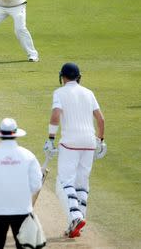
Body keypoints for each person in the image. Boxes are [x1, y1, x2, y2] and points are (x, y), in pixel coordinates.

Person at [43, 62, 106, 238]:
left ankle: (76, 217)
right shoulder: (89, 92)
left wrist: (50, 139)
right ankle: (78, 222)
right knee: (81, 183)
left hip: (70, 142)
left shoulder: (59, 93)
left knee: (64, 182)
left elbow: (56, 114)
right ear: (78, 76)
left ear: (62, 77)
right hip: (90, 142)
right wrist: (101, 141)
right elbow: (101, 120)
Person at [0, 118, 43, 249]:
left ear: (0, 135)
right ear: (16, 134)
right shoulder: (28, 156)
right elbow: (36, 185)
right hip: (23, 209)